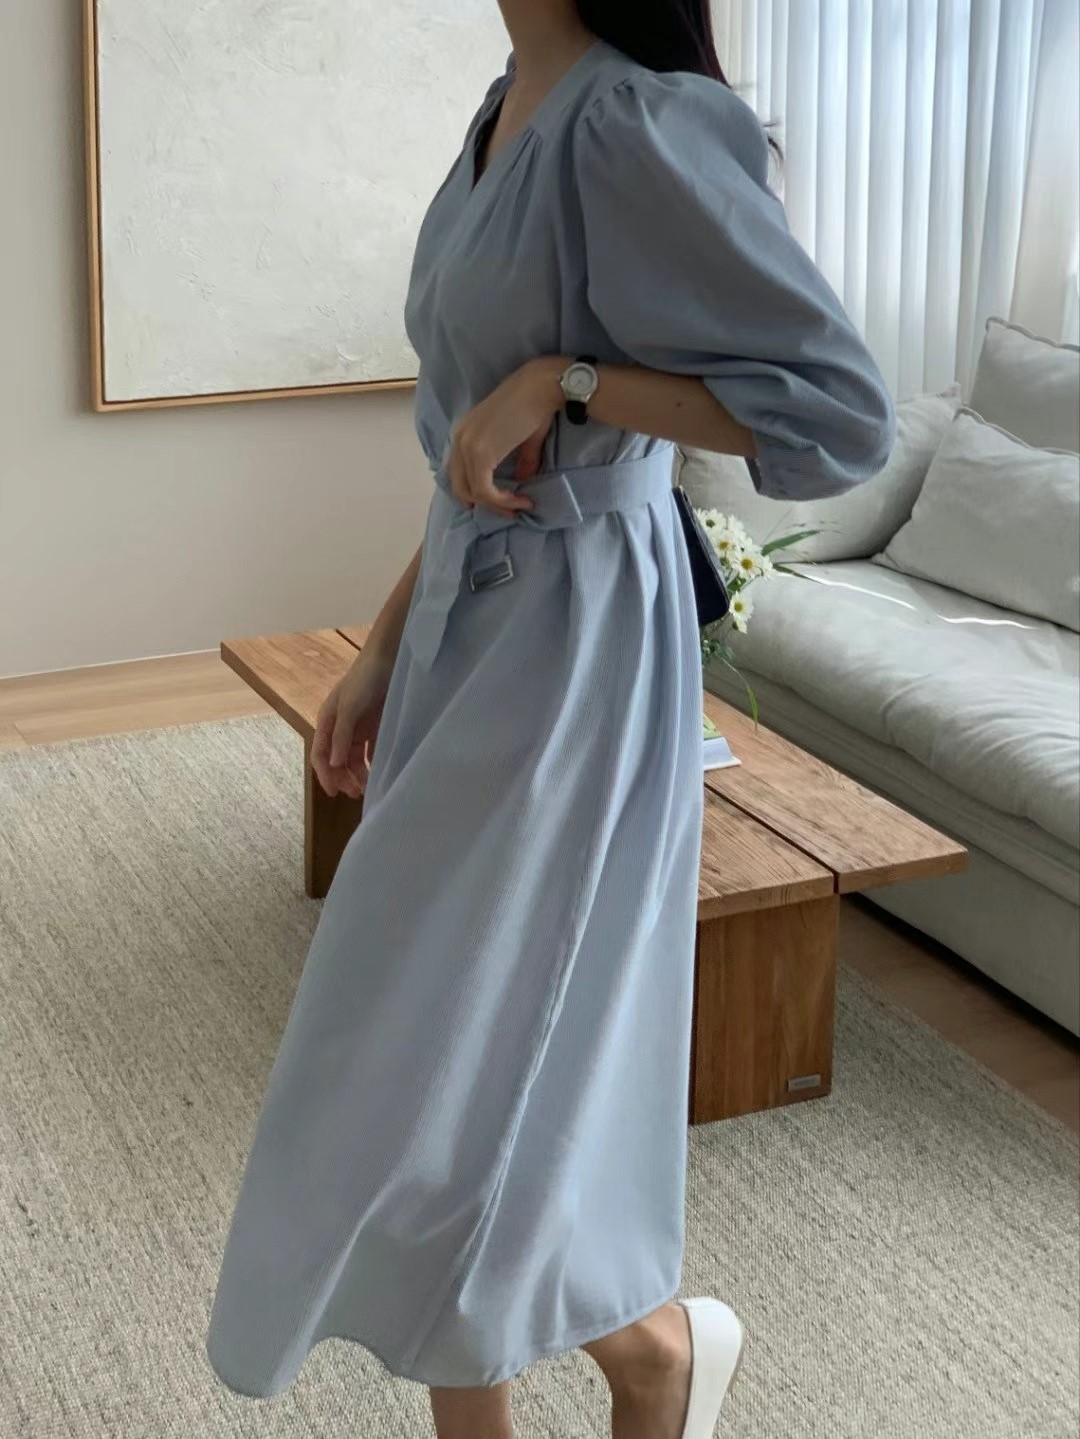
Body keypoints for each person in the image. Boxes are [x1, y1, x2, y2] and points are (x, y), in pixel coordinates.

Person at [205, 3, 895, 1437]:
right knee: (422, 1068)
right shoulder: (506, 103)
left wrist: (569, 382)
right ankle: (636, 1359)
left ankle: (650, 1351)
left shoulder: (637, 119)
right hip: (471, 628)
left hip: (577, 645)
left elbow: (837, 417)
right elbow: (477, 453)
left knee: (456, 1063)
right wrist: (382, 649)